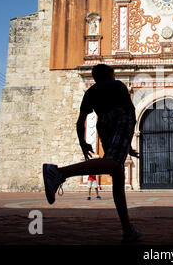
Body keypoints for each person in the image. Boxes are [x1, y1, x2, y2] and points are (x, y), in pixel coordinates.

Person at [43, 63, 142, 243]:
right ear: (110, 74)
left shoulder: (90, 91)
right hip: (122, 118)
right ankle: (59, 172)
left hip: (103, 124)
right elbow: (125, 113)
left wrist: (83, 143)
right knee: (113, 165)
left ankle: (127, 229)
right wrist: (126, 141)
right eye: (112, 73)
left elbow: (80, 121)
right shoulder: (118, 85)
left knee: (117, 175)